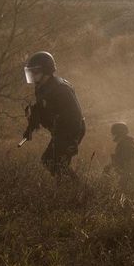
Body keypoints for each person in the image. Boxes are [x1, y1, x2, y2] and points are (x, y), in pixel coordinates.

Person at [22, 51, 85, 181]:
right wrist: (30, 127)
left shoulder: (61, 89)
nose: (32, 75)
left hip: (71, 130)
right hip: (60, 131)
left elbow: (75, 116)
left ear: (46, 70)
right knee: (49, 161)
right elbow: (40, 108)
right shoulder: (41, 87)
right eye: (30, 72)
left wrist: (73, 140)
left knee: (57, 164)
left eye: (35, 71)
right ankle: (74, 191)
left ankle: (81, 192)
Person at [103, 122, 134, 194]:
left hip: (132, 180)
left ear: (118, 134)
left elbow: (121, 164)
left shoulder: (124, 145)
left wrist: (108, 168)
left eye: (114, 133)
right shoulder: (128, 143)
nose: (112, 136)